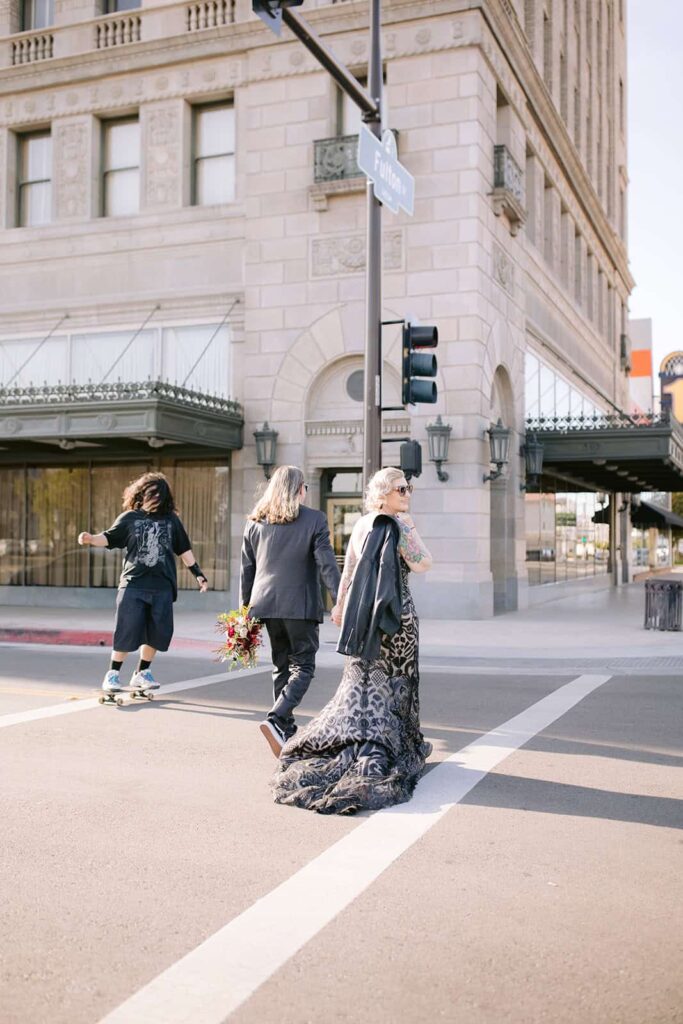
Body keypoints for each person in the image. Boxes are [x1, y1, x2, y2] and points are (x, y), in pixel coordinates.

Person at [271, 466, 433, 815]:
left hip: (364, 621)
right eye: (401, 489)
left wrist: (341, 606)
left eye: (408, 489)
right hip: (397, 620)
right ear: (385, 493)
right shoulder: (399, 525)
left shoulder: (362, 524)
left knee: (360, 685)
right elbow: (423, 564)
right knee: (397, 684)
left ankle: (359, 738)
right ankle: (394, 745)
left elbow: (349, 570)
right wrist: (410, 526)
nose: (407, 494)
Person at [240, 465, 341, 756]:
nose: (306, 492)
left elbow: (247, 572)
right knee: (304, 666)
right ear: (299, 489)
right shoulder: (314, 519)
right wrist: (339, 601)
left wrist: (244, 614)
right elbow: (327, 565)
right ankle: (276, 718)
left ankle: (284, 728)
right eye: (306, 486)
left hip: (266, 605)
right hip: (299, 605)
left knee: (281, 666)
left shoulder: (254, 522)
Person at [77, 472, 208, 693]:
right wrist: (91, 539)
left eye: (159, 495)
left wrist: (198, 574)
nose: (155, 498)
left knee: (157, 632)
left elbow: (184, 550)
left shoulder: (171, 520)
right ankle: (113, 674)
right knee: (126, 630)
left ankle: (141, 673)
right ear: (142, 494)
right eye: (151, 494)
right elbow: (109, 538)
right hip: (133, 584)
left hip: (162, 586)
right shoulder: (129, 518)